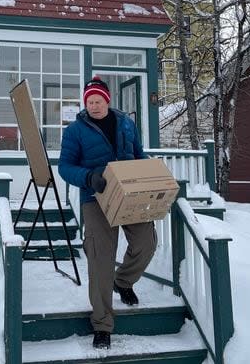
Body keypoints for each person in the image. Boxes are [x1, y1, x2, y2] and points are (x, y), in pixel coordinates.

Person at [58, 76, 157, 350]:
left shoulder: (126, 122)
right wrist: (88, 177)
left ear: (107, 100)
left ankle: (123, 281)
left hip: (129, 194)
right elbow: (64, 166)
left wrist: (148, 178)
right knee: (101, 261)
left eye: (98, 100)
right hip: (95, 198)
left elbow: (139, 156)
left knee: (147, 242)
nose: (93, 105)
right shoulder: (75, 130)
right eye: (89, 101)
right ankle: (102, 325)